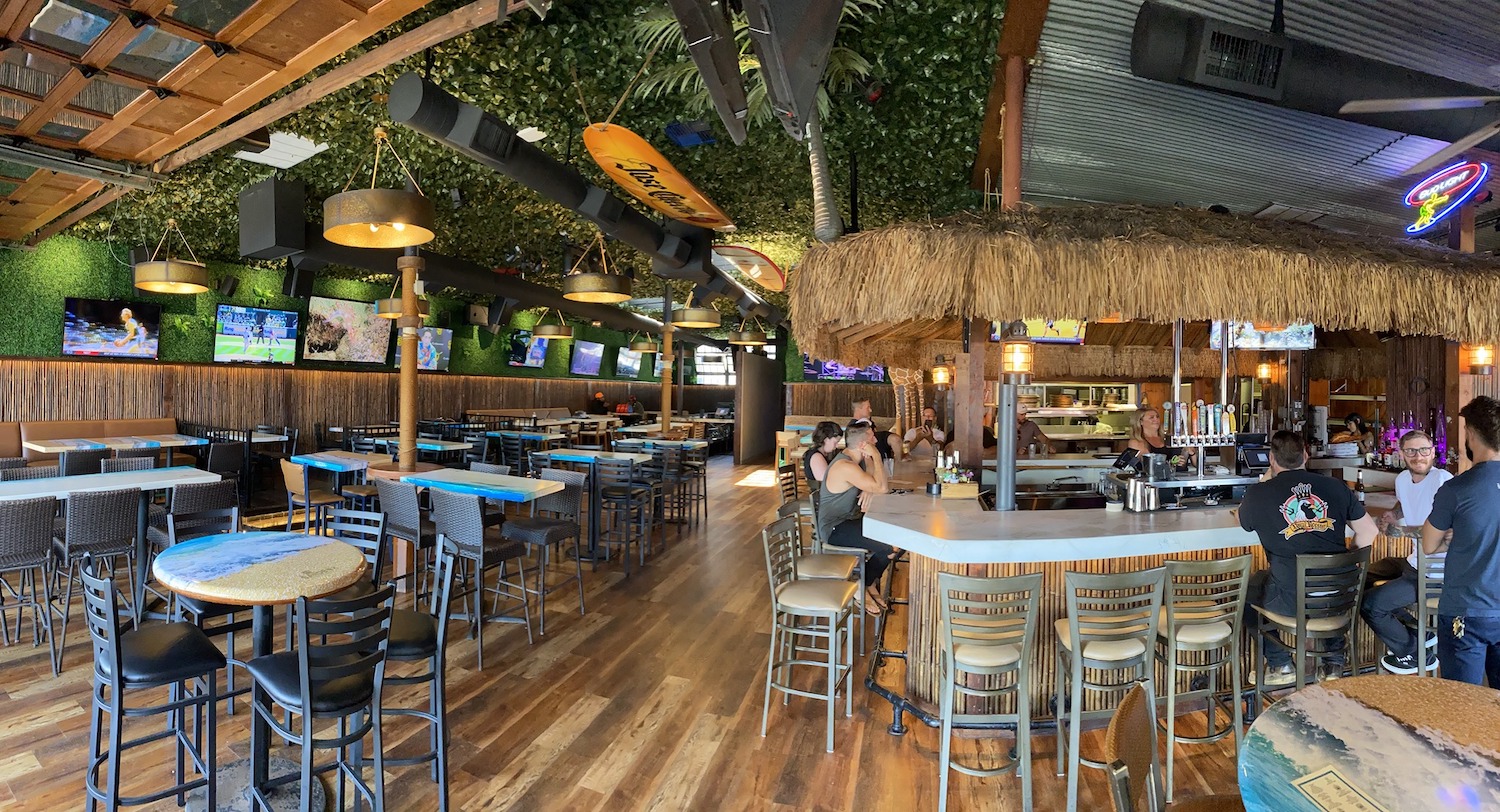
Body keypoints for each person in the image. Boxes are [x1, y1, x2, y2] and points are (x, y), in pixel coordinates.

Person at [1239, 430, 1376, 685]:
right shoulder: (1336, 487)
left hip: (1291, 600)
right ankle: (1333, 664)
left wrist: (1268, 477)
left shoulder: (1258, 494)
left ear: (1271, 458)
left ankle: (1280, 665)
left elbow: (1243, 522)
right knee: (1326, 590)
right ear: (1306, 455)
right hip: (1339, 595)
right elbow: (1369, 531)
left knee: (1246, 594)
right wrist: (1344, 565)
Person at [1422, 396, 1500, 686]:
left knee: (1460, 704)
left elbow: (1429, 544)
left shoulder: (1455, 489)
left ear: (1470, 433)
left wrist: (1453, 539)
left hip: (1466, 612)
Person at [1361, 430, 1450, 674]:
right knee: (1361, 579)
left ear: (1433, 452)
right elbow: (1407, 502)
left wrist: (1404, 532)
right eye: (1411, 451)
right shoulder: (1402, 479)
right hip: (1413, 564)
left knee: (1370, 605)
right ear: (1402, 454)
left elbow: (1451, 530)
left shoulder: (1442, 480)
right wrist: (1394, 515)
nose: (1418, 456)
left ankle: (1414, 653)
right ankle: (1415, 630)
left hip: (1436, 574)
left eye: (1424, 450)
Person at [819, 424, 896, 614]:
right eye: (872, 439)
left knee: (898, 538)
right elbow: (882, 487)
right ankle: (861, 586)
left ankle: (867, 583)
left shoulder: (855, 460)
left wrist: (867, 487)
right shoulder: (845, 466)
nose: (876, 441)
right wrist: (876, 456)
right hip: (835, 528)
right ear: (863, 445)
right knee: (892, 545)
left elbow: (874, 481)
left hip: (850, 521)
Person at [803, 421, 843, 485]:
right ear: (826, 440)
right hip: (819, 493)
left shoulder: (823, 454)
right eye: (835, 442)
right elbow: (824, 483)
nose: (837, 446)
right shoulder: (816, 457)